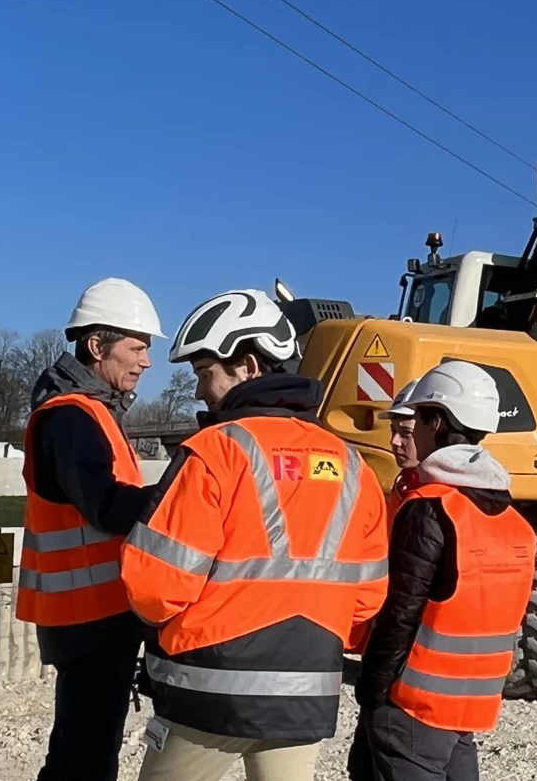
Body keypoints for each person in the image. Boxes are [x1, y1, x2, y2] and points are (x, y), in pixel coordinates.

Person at [122, 288, 390, 781]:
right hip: (306, 692)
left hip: (208, 691)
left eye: (205, 372)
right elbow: (367, 599)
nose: (199, 391)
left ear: (247, 366)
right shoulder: (351, 463)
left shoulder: (216, 451)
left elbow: (156, 587)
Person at [350, 361, 537, 781]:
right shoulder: (513, 521)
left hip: (411, 708)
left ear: (436, 421)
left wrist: (372, 688)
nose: (403, 436)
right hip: (468, 709)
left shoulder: (430, 508)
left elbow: (401, 613)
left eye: (414, 420)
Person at [17, 277, 165, 781]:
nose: (147, 361)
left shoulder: (91, 413)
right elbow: (105, 506)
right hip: (89, 616)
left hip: (94, 614)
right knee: (88, 753)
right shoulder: (72, 418)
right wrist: (178, 493)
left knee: (81, 745)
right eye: (137, 348)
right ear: (97, 346)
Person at [381, 378, 421, 516]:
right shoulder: (406, 481)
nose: (394, 441)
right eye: (393, 431)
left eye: (406, 433)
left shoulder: (440, 492)